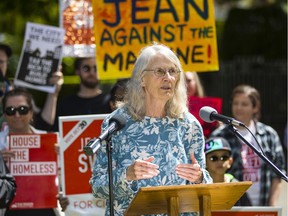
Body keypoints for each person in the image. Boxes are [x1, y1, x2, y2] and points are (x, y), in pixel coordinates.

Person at [89, 42, 212, 215]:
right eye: (160, 71)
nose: (168, 77)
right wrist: (127, 175)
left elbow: (206, 185)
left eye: (173, 71)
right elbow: (97, 187)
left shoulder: (188, 125)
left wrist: (199, 178)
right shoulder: (117, 122)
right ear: (142, 78)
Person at [209, 84, 286, 206]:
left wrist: (271, 208)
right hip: (232, 207)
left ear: (255, 108)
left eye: (244, 104)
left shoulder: (269, 134)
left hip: (263, 206)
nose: (238, 108)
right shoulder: (220, 135)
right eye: (236, 103)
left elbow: (277, 174)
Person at [0, 88, 60, 216]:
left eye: (22, 110)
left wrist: (64, 157)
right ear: (4, 115)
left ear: (31, 112)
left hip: (47, 210)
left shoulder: (51, 141)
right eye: (10, 111)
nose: (17, 115)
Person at [52, 57, 111, 131]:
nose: (92, 73)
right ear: (77, 71)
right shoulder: (65, 104)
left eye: (96, 68)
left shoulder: (110, 102)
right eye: (86, 68)